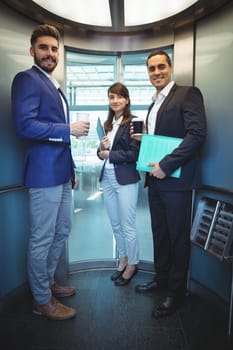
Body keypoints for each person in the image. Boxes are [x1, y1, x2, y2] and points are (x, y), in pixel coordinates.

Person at [11, 24, 90, 320]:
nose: (50, 53)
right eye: (44, 47)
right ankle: (41, 300)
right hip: (43, 173)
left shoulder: (54, 86)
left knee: (62, 231)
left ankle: (47, 284)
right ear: (32, 51)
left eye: (54, 49)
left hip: (61, 173)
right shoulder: (27, 80)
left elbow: (60, 139)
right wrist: (67, 129)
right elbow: (24, 125)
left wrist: (71, 169)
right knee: (42, 237)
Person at [133, 50, 207, 318]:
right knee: (160, 234)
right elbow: (162, 138)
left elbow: (197, 134)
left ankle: (175, 295)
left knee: (177, 238)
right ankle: (161, 280)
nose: (156, 72)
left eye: (161, 67)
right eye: (151, 68)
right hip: (154, 182)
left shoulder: (187, 94)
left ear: (170, 67)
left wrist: (166, 165)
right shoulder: (154, 103)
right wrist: (144, 141)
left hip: (176, 181)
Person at [97, 82, 141, 286]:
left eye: (119, 97)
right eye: (111, 97)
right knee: (115, 224)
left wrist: (110, 153)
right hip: (107, 178)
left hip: (125, 179)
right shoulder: (108, 124)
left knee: (128, 225)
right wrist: (101, 148)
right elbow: (101, 155)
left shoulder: (134, 122)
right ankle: (123, 259)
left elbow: (135, 154)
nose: (115, 101)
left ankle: (133, 264)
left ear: (127, 100)